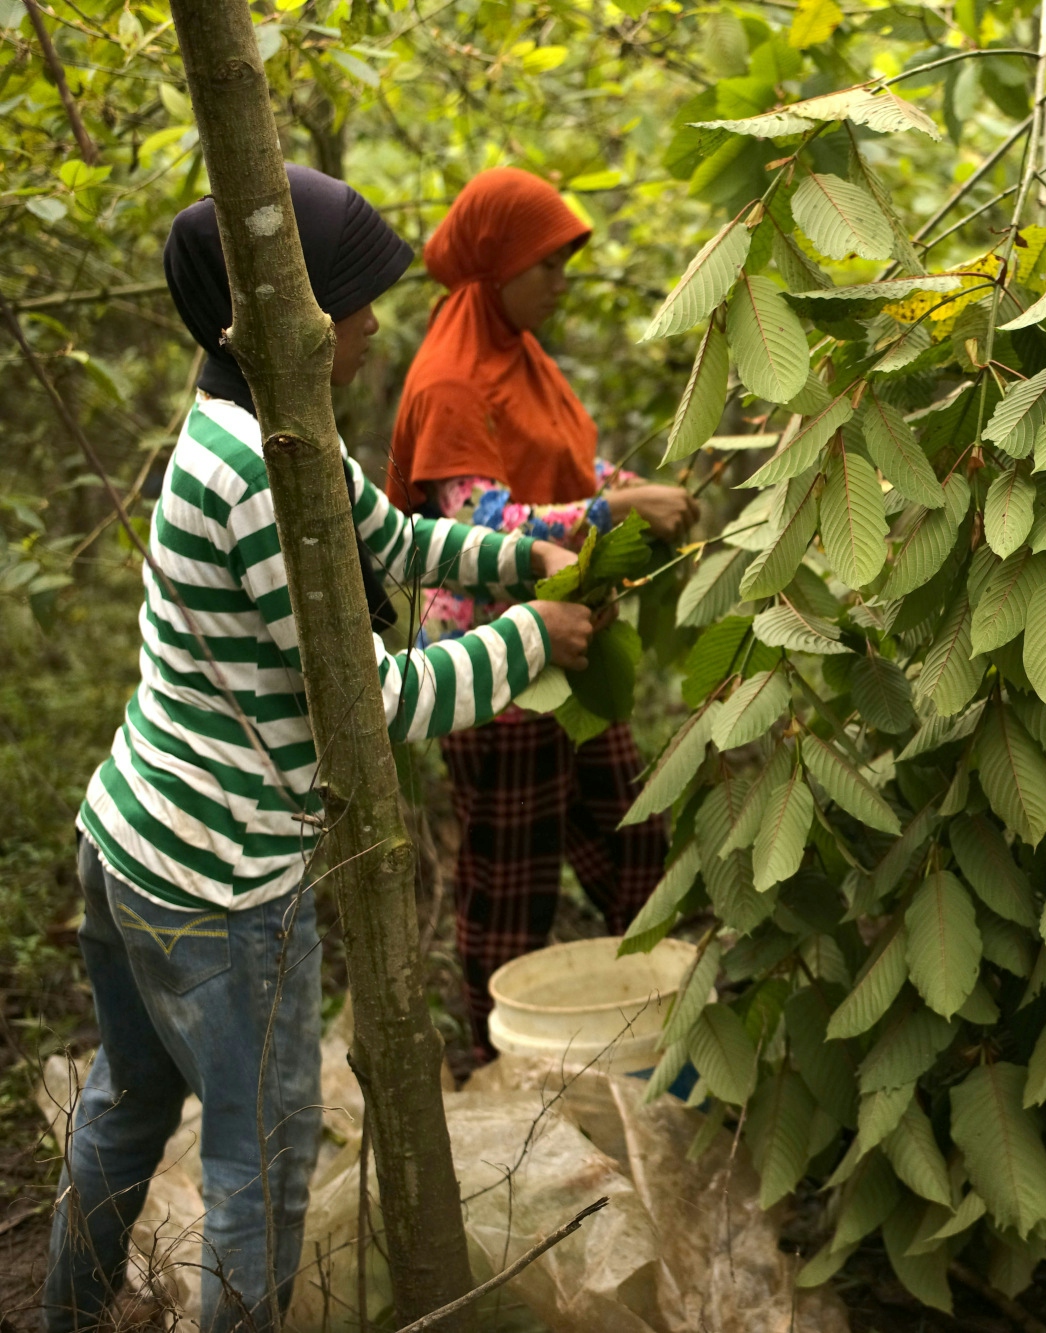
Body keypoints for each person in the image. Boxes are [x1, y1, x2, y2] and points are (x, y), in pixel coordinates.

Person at [46, 165, 595, 1333]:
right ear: (277, 315)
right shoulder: (255, 477)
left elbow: (388, 538)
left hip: (133, 837)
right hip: (218, 884)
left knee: (125, 1105)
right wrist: (529, 642)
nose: (371, 320)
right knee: (262, 1163)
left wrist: (517, 563)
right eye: (350, 297)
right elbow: (370, 706)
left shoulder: (262, 426)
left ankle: (63, 1315)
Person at [386, 167, 694, 1061]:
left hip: (573, 640)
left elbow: (559, 473)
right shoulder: (451, 380)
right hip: (496, 664)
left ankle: (652, 1032)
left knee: (632, 833)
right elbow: (473, 521)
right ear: (498, 265)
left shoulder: (521, 357)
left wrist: (626, 492)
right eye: (548, 264)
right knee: (511, 881)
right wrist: (613, 516)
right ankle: (497, 1072)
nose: (562, 282)